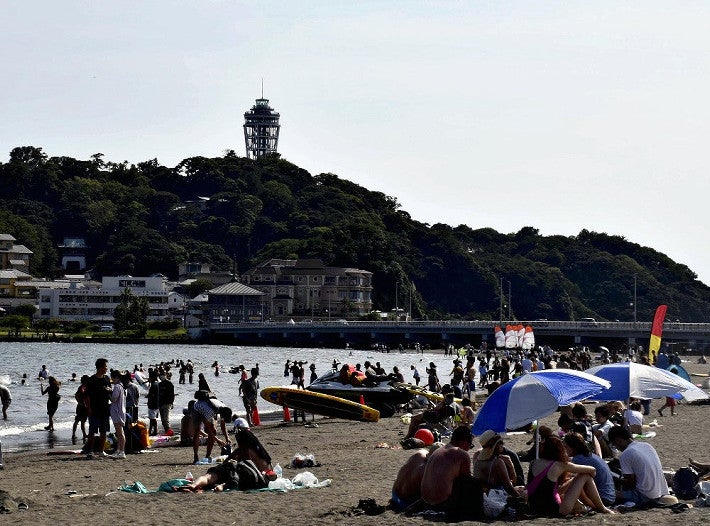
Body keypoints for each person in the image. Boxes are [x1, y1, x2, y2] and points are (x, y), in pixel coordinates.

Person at [526, 435, 616, 517]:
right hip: (554, 510)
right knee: (585, 476)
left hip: (533, 507)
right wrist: (582, 478)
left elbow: (546, 489)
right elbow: (592, 470)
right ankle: (603, 509)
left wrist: (572, 480)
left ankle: (595, 506)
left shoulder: (534, 462)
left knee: (568, 483)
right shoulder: (560, 465)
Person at [420, 425, 484, 521]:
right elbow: (467, 479)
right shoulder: (461, 454)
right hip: (441, 502)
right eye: (470, 445)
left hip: (425, 499)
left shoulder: (438, 450)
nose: (469, 449)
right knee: (476, 485)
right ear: (464, 441)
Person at [607, 426, 670, 506]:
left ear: (618, 440)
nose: (617, 448)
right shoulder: (647, 445)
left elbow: (631, 482)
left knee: (610, 493)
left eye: (614, 445)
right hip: (661, 492)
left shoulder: (626, 454)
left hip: (645, 496)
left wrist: (619, 482)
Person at [563, 432, 616, 506]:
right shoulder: (590, 456)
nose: (564, 450)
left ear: (573, 447)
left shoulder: (579, 460)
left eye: (566, 447)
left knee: (573, 483)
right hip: (610, 496)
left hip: (602, 499)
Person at [472, 430, 524, 498]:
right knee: (524, 491)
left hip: (481, 496)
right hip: (496, 498)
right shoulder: (498, 462)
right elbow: (508, 486)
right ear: (495, 445)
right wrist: (519, 498)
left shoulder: (477, 457)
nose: (503, 445)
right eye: (500, 443)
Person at [84, 358, 112, 457]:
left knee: (104, 431)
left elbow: (110, 393)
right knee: (92, 431)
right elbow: (86, 396)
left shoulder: (107, 379)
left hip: (105, 409)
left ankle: (101, 451)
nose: (107, 368)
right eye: (105, 366)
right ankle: (90, 451)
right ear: (100, 367)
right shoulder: (91, 380)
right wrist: (88, 408)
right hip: (94, 409)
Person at [109, 369, 127, 459]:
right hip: (120, 411)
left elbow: (114, 399)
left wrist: (108, 393)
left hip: (117, 412)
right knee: (120, 432)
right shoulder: (121, 386)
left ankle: (122, 451)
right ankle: (119, 450)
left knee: (120, 433)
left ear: (116, 377)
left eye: (112, 378)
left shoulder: (117, 386)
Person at [72, 375, 89, 443]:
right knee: (78, 421)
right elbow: (76, 395)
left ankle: (83, 434)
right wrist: (80, 402)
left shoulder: (84, 387)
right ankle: (74, 434)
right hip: (81, 407)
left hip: (83, 407)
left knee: (81, 421)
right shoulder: (82, 387)